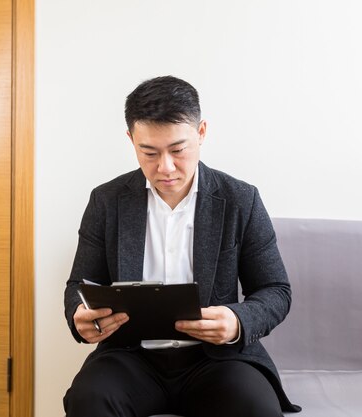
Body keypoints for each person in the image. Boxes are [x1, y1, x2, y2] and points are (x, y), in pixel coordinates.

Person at [63, 76, 301, 417]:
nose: (166, 168)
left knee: (256, 408)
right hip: (132, 357)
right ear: (131, 139)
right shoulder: (106, 201)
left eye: (178, 150)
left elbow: (275, 290)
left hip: (218, 360)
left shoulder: (240, 199)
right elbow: (79, 285)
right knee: (88, 399)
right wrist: (79, 316)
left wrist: (236, 320)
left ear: (201, 133)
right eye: (149, 152)